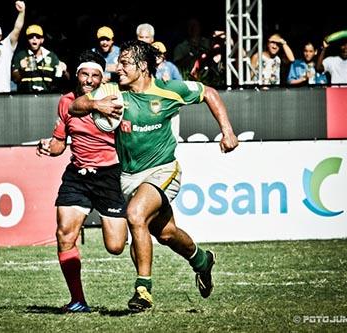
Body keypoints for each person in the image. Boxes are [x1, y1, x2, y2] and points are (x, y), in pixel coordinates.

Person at [69, 40, 239, 311]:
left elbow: (209, 92)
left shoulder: (170, 90)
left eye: (124, 63)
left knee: (136, 215)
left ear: (143, 66)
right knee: (167, 233)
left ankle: (143, 290)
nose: (118, 67)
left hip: (163, 170)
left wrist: (227, 131)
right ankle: (202, 261)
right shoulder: (113, 91)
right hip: (129, 176)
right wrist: (95, 104)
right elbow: (74, 107)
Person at [36, 50, 128, 313]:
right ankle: (78, 301)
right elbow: (59, 145)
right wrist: (48, 145)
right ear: (77, 75)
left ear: (102, 78)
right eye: (84, 74)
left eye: (94, 75)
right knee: (64, 235)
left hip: (109, 175)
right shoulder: (66, 101)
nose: (88, 80)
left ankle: (132, 220)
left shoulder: (115, 98)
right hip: (78, 174)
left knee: (115, 246)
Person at [12, 24, 68, 93]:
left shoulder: (51, 56)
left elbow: (66, 80)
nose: (34, 39)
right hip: (26, 97)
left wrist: (64, 71)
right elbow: (15, 79)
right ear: (27, 39)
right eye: (31, 37)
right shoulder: (20, 56)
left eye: (37, 37)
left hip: (46, 97)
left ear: (42, 40)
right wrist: (21, 69)